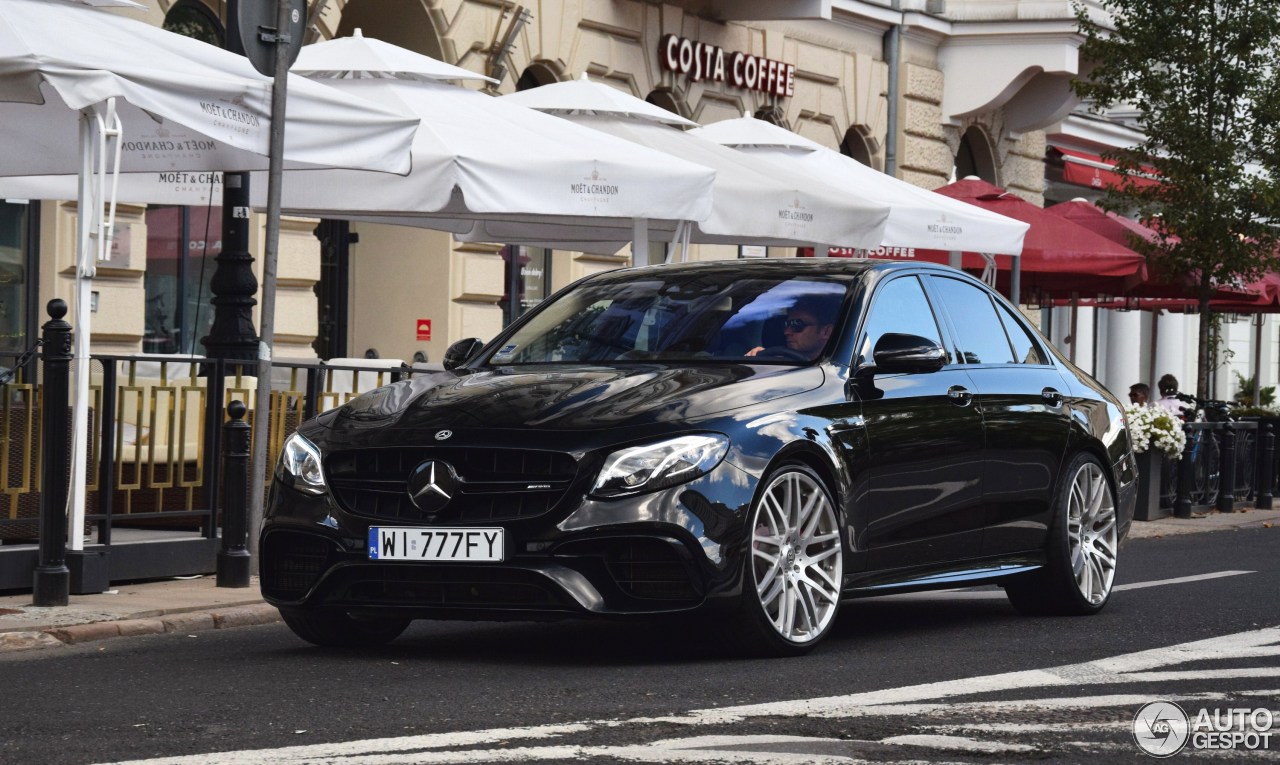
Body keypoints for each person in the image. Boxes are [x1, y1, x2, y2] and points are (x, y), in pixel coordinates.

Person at [746, 294, 838, 359]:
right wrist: (762, 358)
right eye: (787, 324)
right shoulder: (778, 360)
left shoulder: (839, 369)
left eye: (797, 324)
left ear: (826, 332)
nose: (787, 332)